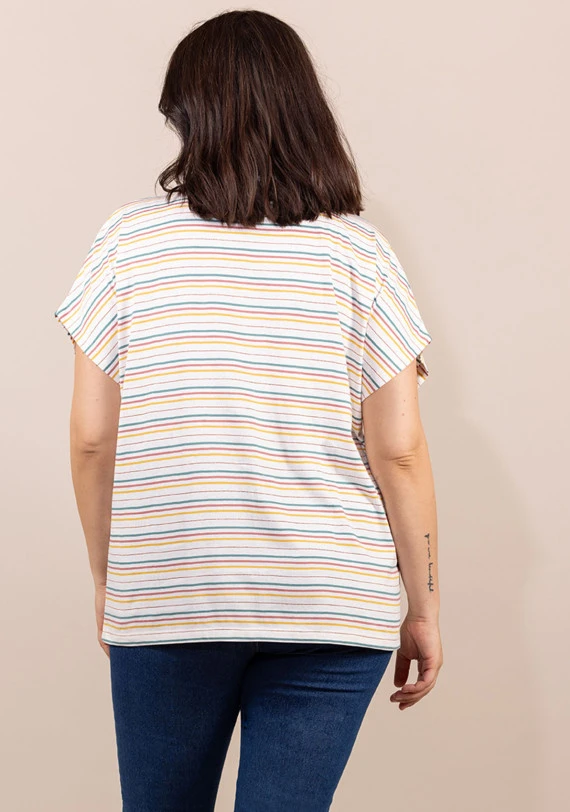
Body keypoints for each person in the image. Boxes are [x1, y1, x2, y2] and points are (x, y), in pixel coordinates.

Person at [54, 9, 443, 811]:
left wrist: (109, 579)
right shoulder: (359, 253)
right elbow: (399, 450)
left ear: (188, 114)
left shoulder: (128, 244)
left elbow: (92, 439)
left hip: (171, 591)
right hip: (333, 601)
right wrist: (424, 607)